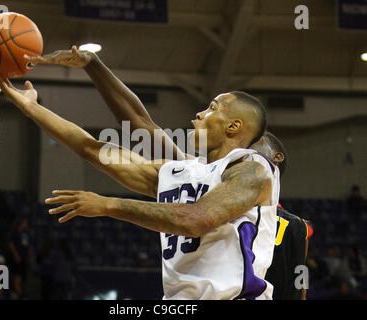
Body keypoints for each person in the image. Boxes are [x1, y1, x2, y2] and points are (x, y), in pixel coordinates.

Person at [26, 47, 310, 299]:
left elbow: (195, 219)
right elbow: (108, 142)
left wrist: (107, 204)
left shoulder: (258, 176)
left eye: (211, 108)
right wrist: (34, 106)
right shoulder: (191, 171)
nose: (199, 113)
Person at [251, 132, 312, 300]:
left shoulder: (296, 226)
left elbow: (301, 283)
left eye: (253, 143)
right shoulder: (221, 212)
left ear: (275, 157)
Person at [7, 217, 34, 284]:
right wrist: (16, 255)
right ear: (21, 223)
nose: (26, 224)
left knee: (23, 275)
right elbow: (11, 244)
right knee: (16, 274)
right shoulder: (14, 232)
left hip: (24, 257)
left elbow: (30, 245)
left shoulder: (27, 233)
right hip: (16, 257)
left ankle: (22, 290)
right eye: (25, 222)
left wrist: (29, 256)